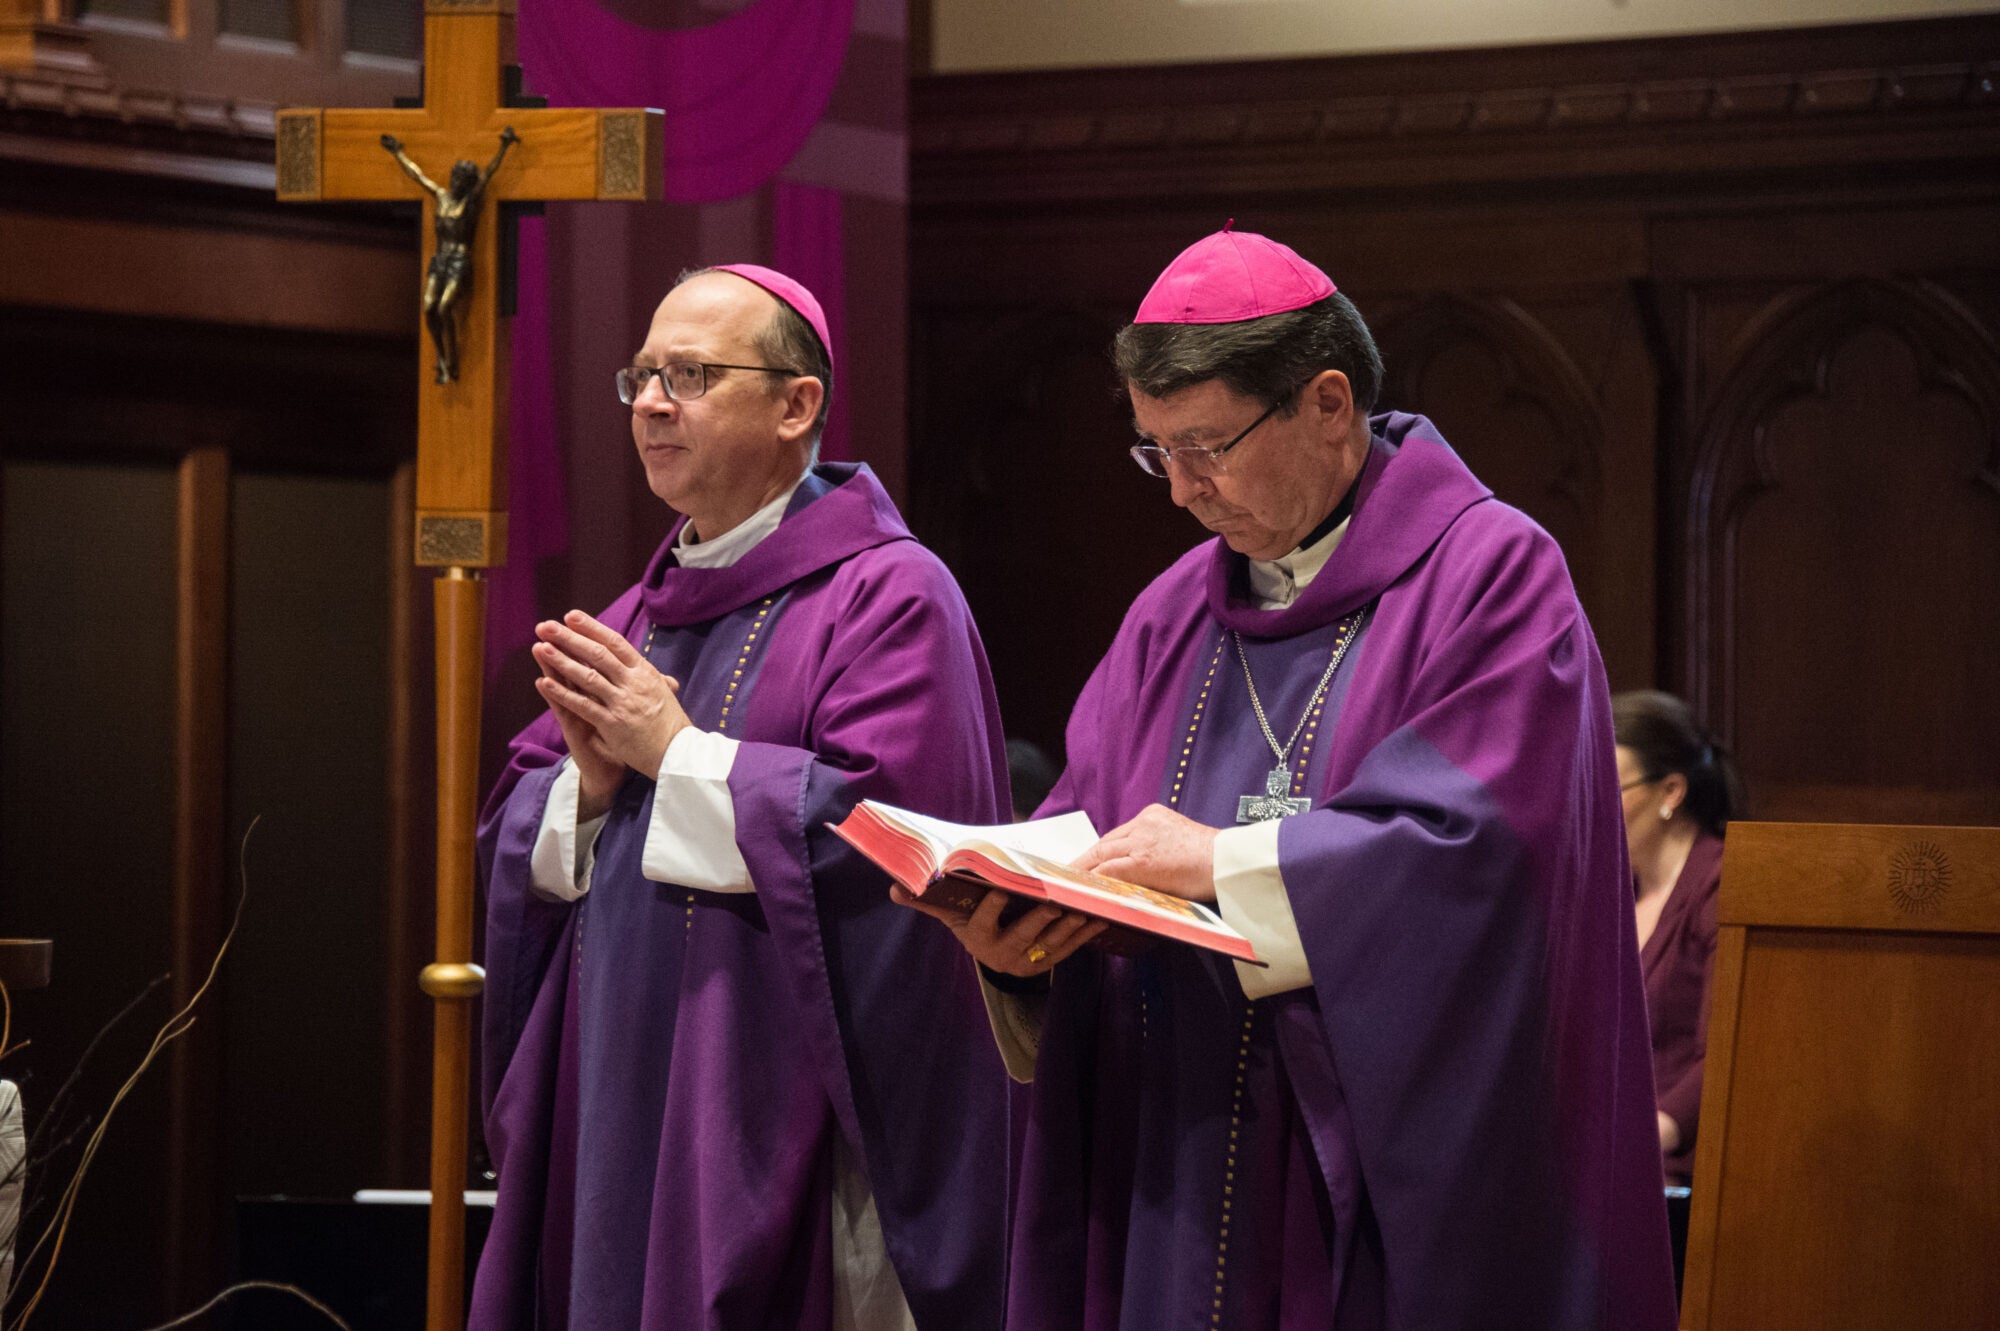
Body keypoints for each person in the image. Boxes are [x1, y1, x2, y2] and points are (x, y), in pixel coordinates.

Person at [904, 226, 1679, 1327]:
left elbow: (1485, 856)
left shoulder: (1490, 576)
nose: (1178, 490)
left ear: (1325, 401)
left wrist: (1221, 860)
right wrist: (1023, 944)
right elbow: (1082, 830)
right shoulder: (1170, 611)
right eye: (1154, 450)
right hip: (1175, 1159)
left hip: (1370, 1181)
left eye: (1206, 445)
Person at [472, 265, 1014, 1329]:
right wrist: (585, 788)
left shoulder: (890, 596)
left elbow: (899, 849)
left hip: (780, 1111)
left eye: (692, 374)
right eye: (641, 374)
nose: (650, 401)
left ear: (795, 404)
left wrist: (677, 753)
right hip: (620, 1098)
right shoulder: (638, 613)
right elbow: (516, 830)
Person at [1614, 690, 1744, 1185]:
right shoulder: (1613, 891)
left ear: (1671, 791)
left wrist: (1646, 1137)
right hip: (1618, 1163)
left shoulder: (1724, 884)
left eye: (1610, 784)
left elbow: (1727, 1056)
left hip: (1683, 1172)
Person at [379, 125, 518, 383]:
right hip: (440, 259)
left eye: (460, 181)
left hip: (459, 261)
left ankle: (452, 360)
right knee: (428, 306)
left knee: (444, 307)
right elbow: (417, 177)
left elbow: (488, 174)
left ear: (467, 185)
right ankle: (442, 359)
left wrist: (504, 147)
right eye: (454, 178)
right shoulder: (442, 196)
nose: (455, 183)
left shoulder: (470, 202)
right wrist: (398, 153)